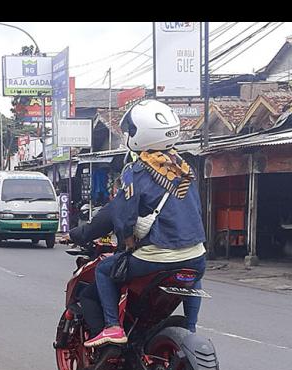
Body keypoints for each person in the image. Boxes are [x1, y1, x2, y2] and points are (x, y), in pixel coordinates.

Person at [86, 99, 207, 347]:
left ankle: (113, 327)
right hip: (198, 255)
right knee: (193, 274)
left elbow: (123, 216)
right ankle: (191, 327)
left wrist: (126, 239)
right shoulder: (185, 167)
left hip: (155, 258)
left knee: (104, 270)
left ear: (140, 135)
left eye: (130, 130)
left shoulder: (136, 170)